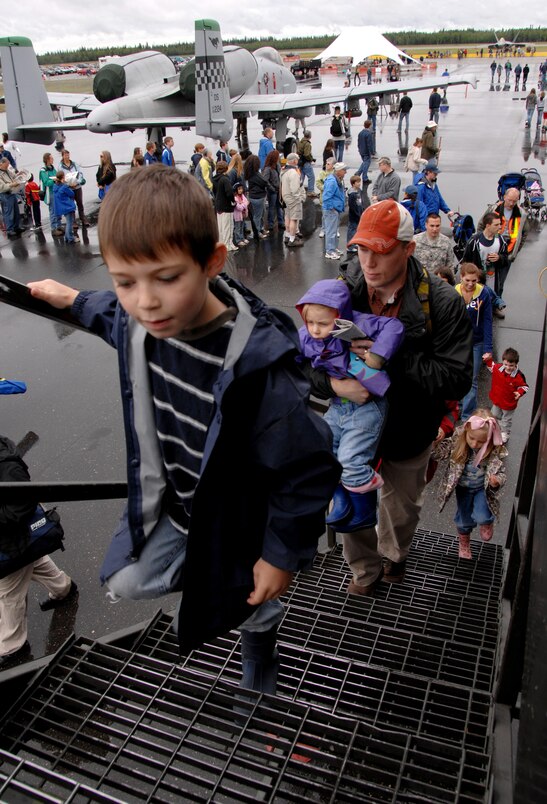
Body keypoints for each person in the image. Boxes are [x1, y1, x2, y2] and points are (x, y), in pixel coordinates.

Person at [27, 165, 340, 693]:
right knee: (124, 580)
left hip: (238, 518)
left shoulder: (258, 373)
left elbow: (308, 471)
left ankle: (257, 633)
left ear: (212, 262)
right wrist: (71, 299)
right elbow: (112, 314)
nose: (145, 300)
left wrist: (279, 555)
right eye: (126, 280)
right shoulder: (142, 319)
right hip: (180, 503)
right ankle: (225, 587)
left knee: (249, 598)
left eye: (166, 278)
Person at [302, 200, 473, 595]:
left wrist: (392, 362)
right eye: (362, 249)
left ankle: (395, 556)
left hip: (410, 428)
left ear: (407, 249)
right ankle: (365, 570)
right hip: (353, 423)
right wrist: (336, 386)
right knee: (351, 503)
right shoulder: (341, 293)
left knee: (400, 508)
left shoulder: (442, 302)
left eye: (380, 251)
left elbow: (457, 379)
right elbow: (303, 361)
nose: (368, 262)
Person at [295, 280, 404, 530]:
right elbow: (293, 359)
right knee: (323, 453)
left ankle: (365, 511)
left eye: (323, 323)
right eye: (309, 322)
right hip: (338, 403)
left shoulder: (354, 323)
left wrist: (377, 356)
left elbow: (394, 327)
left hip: (367, 405)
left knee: (350, 460)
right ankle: (342, 501)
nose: (315, 330)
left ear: (339, 315)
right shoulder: (306, 335)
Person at [0, 435, 78, 669]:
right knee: (33, 561)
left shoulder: (6, 465)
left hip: (12, 541)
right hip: (16, 541)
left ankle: (12, 646)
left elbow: (20, 507)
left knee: (8, 590)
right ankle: (63, 588)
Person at [432, 410, 507, 559]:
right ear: (466, 431)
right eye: (472, 438)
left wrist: (497, 481)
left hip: (482, 489)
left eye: (481, 441)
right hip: (463, 489)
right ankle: (464, 543)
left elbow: (502, 472)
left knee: (482, 515)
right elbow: (437, 455)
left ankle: (487, 522)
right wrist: (435, 444)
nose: (475, 444)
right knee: (464, 519)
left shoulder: (493, 451)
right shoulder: (458, 443)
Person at [455, 263, 493, 421]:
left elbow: (487, 321)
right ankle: (456, 407)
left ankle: (466, 416)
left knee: (473, 379)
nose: (470, 284)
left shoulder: (484, 294)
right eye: (467, 280)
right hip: (457, 342)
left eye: (474, 281)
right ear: (461, 278)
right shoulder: (453, 291)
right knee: (457, 375)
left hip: (476, 342)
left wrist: (488, 347)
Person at [463, 212, 509, 317]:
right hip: (478, 277)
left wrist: (499, 258)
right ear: (488, 225)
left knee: (492, 291)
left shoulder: (500, 240)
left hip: (493, 275)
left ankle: (494, 308)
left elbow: (506, 259)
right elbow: (466, 260)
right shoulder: (475, 240)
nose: (500, 227)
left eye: (500, 224)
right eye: (496, 225)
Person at [484, 347, 528, 442]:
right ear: (503, 362)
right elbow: (491, 366)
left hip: (509, 403)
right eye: (505, 364)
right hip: (497, 399)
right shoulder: (498, 368)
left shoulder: (519, 376)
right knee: (494, 415)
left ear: (516, 364)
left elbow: (524, 386)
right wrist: (488, 359)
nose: (508, 367)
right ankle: (496, 427)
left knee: (506, 419)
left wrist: (519, 392)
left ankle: (504, 432)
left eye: (511, 365)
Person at [478, 187, 527, 261]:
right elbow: (481, 225)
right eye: (509, 200)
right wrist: (482, 244)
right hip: (490, 250)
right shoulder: (493, 209)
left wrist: (515, 252)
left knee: (502, 272)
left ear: (518, 200)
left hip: (507, 253)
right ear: (504, 197)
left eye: (514, 201)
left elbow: (524, 234)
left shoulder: (522, 214)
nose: (511, 204)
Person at [415, 163, 455, 232]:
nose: (437, 174)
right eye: (435, 173)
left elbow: (439, 199)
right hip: (426, 222)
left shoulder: (434, 185)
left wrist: (447, 210)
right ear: (428, 172)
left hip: (434, 219)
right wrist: (423, 228)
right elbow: (419, 208)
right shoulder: (421, 187)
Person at [322, 161, 347, 260]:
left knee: (334, 231)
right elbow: (326, 197)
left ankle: (333, 248)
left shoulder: (337, 179)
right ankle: (329, 251)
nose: (345, 172)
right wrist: (332, 208)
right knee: (331, 231)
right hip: (331, 210)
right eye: (344, 170)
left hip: (335, 209)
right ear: (338, 171)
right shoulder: (332, 181)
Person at [280, 153, 305, 248]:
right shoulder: (293, 172)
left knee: (287, 217)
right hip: (293, 199)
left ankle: (287, 236)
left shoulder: (283, 170)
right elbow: (295, 189)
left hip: (286, 197)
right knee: (293, 219)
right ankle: (292, 239)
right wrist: (300, 198)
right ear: (294, 161)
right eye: (297, 159)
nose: (298, 160)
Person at [243, 154, 271, 240]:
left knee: (260, 214)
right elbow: (264, 182)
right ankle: (257, 231)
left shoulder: (249, 173)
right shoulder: (256, 174)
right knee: (258, 216)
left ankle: (260, 229)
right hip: (258, 197)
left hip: (253, 196)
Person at [58, 149, 88, 226]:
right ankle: (73, 222)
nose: (67, 156)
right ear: (63, 156)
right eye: (65, 155)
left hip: (77, 187)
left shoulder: (74, 164)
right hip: (69, 189)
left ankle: (83, 219)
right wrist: (69, 184)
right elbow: (61, 178)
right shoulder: (60, 167)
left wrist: (77, 182)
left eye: (68, 155)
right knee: (71, 204)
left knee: (80, 203)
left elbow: (80, 174)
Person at [212, 160, 236, 252]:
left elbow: (214, 191)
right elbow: (229, 193)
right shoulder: (225, 179)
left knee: (221, 227)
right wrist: (233, 201)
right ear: (226, 169)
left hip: (218, 205)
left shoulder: (214, 178)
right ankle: (228, 245)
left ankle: (222, 244)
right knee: (228, 226)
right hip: (226, 206)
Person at [0, 158, 24, 238]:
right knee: (9, 213)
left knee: (16, 211)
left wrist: (19, 174)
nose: (8, 165)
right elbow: (2, 187)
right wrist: (12, 184)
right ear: (2, 164)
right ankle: (10, 230)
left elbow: (14, 176)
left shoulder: (7, 171)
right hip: (5, 195)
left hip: (12, 192)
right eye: (7, 164)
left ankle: (16, 227)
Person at [39, 152, 62, 236]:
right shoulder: (43, 170)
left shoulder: (52, 168)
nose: (53, 159)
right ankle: (54, 228)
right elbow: (46, 182)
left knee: (58, 209)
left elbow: (56, 175)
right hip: (50, 193)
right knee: (53, 211)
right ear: (47, 160)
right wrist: (54, 180)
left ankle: (59, 226)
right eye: (51, 158)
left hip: (56, 191)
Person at [53, 171, 78, 244]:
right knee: (69, 223)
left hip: (61, 207)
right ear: (63, 177)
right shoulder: (64, 187)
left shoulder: (55, 187)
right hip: (67, 206)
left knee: (68, 222)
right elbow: (72, 194)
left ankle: (67, 237)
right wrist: (66, 184)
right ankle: (70, 238)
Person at [262, 149, 284, 232]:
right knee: (272, 208)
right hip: (273, 191)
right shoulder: (268, 168)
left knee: (279, 207)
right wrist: (272, 188)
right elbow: (265, 180)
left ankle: (281, 222)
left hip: (278, 190)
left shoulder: (277, 165)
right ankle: (270, 224)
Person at [316, 157, 335, 240]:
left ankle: (335, 229)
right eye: (326, 163)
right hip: (323, 198)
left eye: (328, 164)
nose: (326, 165)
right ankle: (323, 229)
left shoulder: (335, 174)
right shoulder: (322, 173)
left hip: (333, 198)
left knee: (334, 215)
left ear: (333, 166)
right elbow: (318, 183)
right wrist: (324, 187)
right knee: (324, 215)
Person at [297, 130, 317, 196]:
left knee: (301, 177)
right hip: (306, 162)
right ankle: (310, 191)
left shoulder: (301, 142)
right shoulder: (307, 144)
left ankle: (298, 190)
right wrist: (311, 159)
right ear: (310, 136)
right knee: (311, 177)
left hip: (300, 162)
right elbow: (307, 154)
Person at [346, 175, 363, 253]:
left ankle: (354, 243)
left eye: (360, 182)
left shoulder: (358, 191)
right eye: (357, 182)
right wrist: (357, 215)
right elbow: (352, 206)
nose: (359, 183)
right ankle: (350, 246)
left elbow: (360, 203)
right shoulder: (352, 194)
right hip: (354, 216)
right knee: (352, 231)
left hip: (358, 214)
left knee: (355, 230)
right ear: (353, 184)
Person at [232, 182, 250, 247]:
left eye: (241, 189)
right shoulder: (235, 198)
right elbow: (239, 207)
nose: (241, 190)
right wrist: (244, 205)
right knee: (237, 228)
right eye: (239, 189)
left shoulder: (242, 196)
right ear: (236, 190)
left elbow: (247, 202)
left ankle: (242, 238)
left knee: (242, 227)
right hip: (237, 216)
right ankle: (238, 240)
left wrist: (242, 204)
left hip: (243, 215)